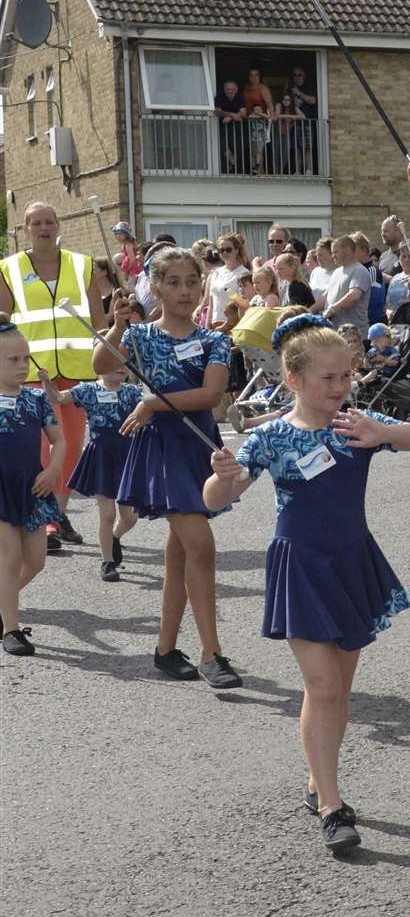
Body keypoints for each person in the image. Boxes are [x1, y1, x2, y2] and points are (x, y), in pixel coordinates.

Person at [203, 314, 410, 851]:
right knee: (323, 686)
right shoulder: (270, 436)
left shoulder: (355, 422)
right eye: (328, 379)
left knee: (341, 689)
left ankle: (318, 780)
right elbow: (214, 499)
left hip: (352, 559)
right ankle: (332, 806)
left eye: (346, 376)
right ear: (294, 381)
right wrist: (223, 475)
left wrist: (387, 432)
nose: (340, 387)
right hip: (302, 566)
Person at [99, 248, 242, 689]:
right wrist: (120, 326)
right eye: (173, 282)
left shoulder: (217, 339)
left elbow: (210, 395)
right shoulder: (140, 336)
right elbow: (103, 366)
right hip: (162, 452)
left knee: (182, 550)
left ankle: (164, 649)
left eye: (191, 282)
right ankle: (211, 654)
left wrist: (151, 402)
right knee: (201, 546)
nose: (184, 291)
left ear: (202, 286)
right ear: (156, 287)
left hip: (198, 449)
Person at [0, 200, 107, 553]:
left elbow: (98, 320)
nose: (44, 228)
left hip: (77, 370)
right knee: (43, 446)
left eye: (49, 221)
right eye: (36, 223)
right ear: (25, 228)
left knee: (73, 446)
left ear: (58, 224)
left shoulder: (83, 265)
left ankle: (58, 514)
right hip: (31, 371)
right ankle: (45, 521)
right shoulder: (8, 268)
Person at [0, 326, 65, 655]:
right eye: (13, 359)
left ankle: (3, 601)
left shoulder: (37, 398)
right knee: (9, 557)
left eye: (25, 357)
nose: (23, 365)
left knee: (36, 560)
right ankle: (10, 628)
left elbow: (59, 441)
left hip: (33, 488)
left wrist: (53, 470)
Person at [56, 365, 142, 581]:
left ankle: (114, 537)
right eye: (112, 363)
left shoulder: (132, 392)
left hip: (127, 456)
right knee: (107, 514)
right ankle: (107, 562)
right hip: (101, 456)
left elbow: (152, 407)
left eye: (123, 362)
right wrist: (46, 380)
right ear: (98, 366)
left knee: (130, 517)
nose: (121, 367)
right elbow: (58, 397)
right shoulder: (88, 389)